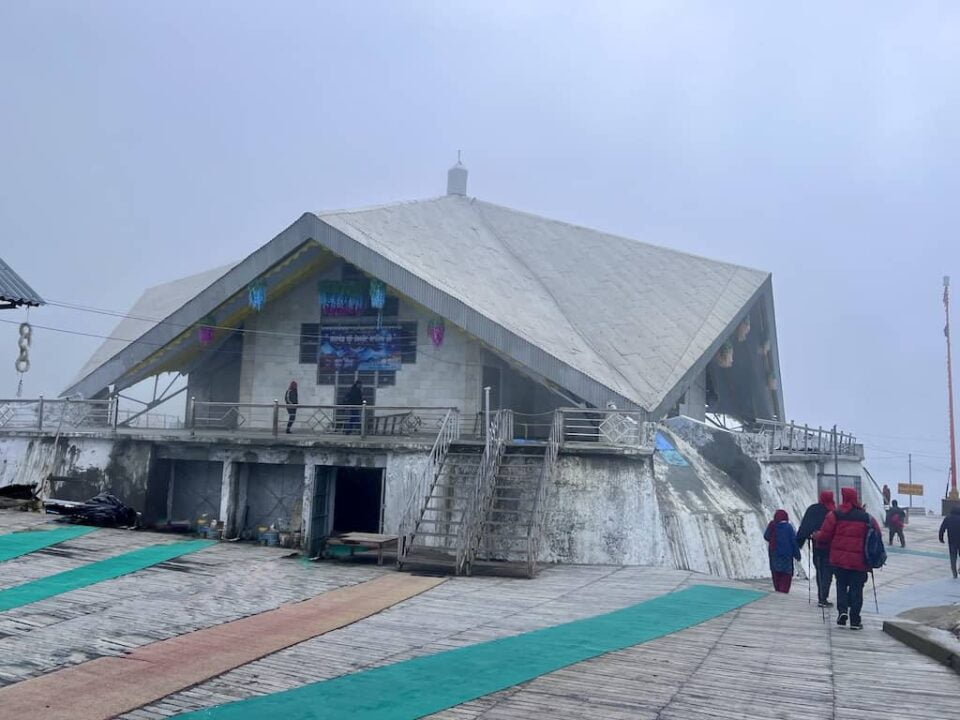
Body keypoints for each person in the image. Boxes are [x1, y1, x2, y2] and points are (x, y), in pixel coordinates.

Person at [816, 487, 883, 630]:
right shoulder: (866, 517)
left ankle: (842, 611)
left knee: (841, 585)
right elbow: (877, 533)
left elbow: (825, 536)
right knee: (856, 589)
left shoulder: (835, 515)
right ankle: (855, 620)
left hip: (839, 560)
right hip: (859, 561)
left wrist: (817, 537)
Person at [797, 490, 836, 607]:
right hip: (830, 547)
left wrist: (799, 542)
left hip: (817, 546)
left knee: (820, 571)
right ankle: (823, 597)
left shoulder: (813, 509)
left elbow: (805, 526)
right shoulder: (833, 511)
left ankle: (821, 596)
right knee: (828, 572)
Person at [763, 509, 802, 593]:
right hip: (786, 556)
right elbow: (793, 542)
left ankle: (777, 590)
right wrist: (797, 555)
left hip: (774, 554)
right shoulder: (789, 527)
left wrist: (772, 539)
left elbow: (766, 536)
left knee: (776, 574)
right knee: (786, 576)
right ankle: (783, 591)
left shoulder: (772, 525)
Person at [938, 506, 960, 579]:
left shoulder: (948, 518)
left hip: (952, 541)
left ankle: (954, 573)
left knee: (953, 557)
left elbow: (942, 529)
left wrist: (941, 538)